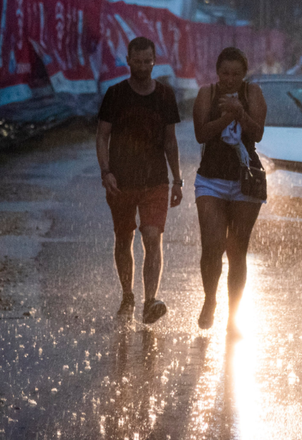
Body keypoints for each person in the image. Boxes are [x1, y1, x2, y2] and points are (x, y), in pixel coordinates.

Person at [97, 36, 183, 324]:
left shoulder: (165, 95)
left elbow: (171, 142)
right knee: (124, 239)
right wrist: (106, 171)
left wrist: (178, 179)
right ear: (128, 61)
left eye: (149, 61)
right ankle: (127, 296)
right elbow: (102, 135)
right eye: (138, 61)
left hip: (156, 181)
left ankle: (149, 300)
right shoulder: (115, 94)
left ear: (154, 61)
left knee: (151, 237)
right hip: (121, 181)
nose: (144, 66)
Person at [192, 47, 267, 336]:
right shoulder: (206, 94)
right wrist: (226, 118)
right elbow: (201, 134)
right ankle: (210, 298)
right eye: (225, 73)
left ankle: (234, 316)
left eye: (236, 74)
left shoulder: (253, 94)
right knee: (212, 246)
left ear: (244, 74)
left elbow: (258, 133)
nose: (230, 79)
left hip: (245, 180)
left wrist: (240, 113)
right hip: (211, 179)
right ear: (217, 72)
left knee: (238, 251)